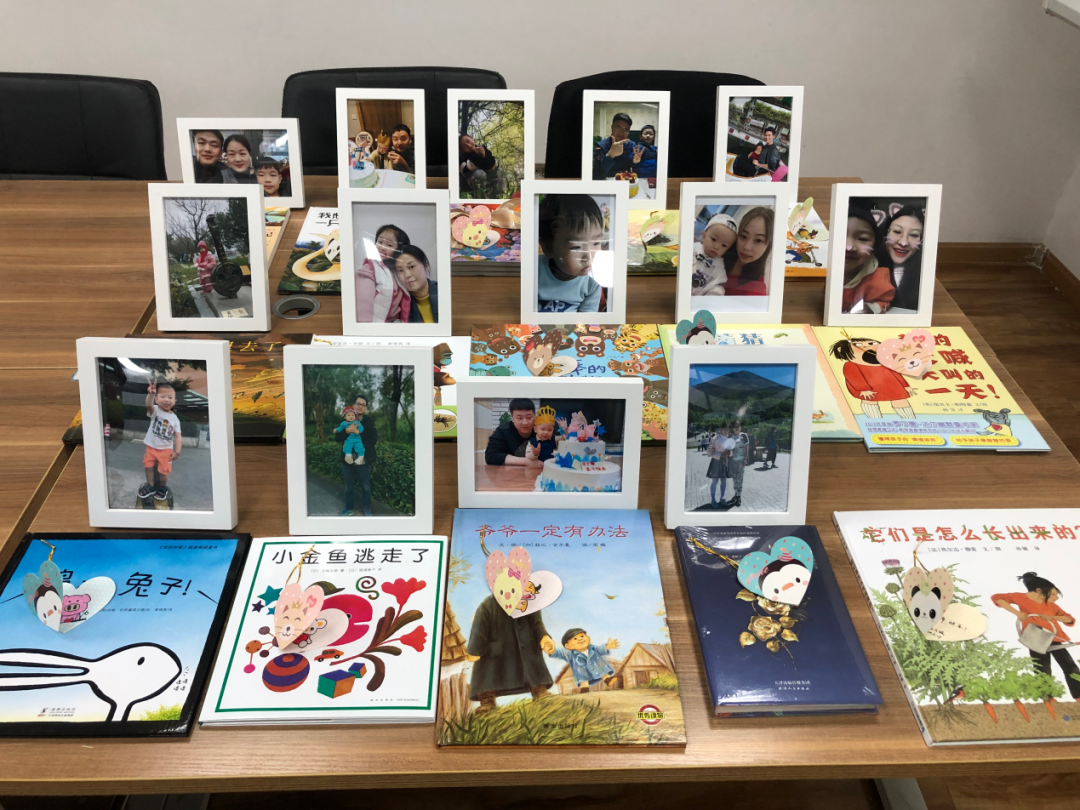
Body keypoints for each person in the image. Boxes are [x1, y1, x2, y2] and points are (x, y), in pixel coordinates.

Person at [467, 582, 554, 715]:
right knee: (488, 675)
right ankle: (487, 701)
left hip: (526, 647)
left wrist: (544, 637)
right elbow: (479, 628)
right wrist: (474, 649)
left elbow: (537, 625)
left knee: (532, 668)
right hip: (496, 651)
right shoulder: (488, 605)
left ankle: (539, 691)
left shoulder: (530, 603)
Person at [994, 573, 1080, 700]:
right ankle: (1047, 697)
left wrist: (1052, 617)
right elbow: (998, 598)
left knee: (1070, 667)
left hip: (1055, 639)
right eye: (1053, 594)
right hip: (1035, 639)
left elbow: (1069, 619)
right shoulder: (1021, 598)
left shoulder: (1050, 605)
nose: (1056, 598)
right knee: (1042, 669)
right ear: (1039, 591)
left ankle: (1078, 695)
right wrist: (1017, 613)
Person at [537, 194, 605, 313]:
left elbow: (587, 319)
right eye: (576, 247)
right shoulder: (534, 271)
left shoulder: (593, 282)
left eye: (596, 243)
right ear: (548, 248)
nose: (588, 257)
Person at [828, 336, 916, 420]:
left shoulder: (885, 363)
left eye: (872, 343)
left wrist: (905, 386)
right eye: (858, 345)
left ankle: (909, 419)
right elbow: (854, 378)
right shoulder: (851, 365)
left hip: (892, 386)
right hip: (868, 390)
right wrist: (863, 389)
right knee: (869, 401)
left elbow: (896, 374)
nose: (866, 346)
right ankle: (875, 420)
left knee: (900, 400)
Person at [842, 203, 894, 314]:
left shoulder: (878, 279)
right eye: (840, 236)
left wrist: (869, 308)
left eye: (863, 238)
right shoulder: (817, 271)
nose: (849, 247)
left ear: (874, 248)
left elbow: (883, 302)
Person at [334, 393, 379, 516]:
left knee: (365, 486)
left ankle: (367, 508)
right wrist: (347, 431)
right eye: (358, 404)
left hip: (363, 459)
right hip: (347, 459)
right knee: (348, 487)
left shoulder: (369, 421)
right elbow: (337, 438)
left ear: (365, 408)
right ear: (353, 405)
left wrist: (358, 447)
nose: (360, 407)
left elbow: (373, 439)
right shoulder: (346, 419)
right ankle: (349, 508)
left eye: (363, 405)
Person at [356, 224, 411, 323]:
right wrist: (365, 327)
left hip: (395, 323)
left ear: (399, 250)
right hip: (375, 324)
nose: (382, 247)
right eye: (380, 242)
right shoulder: (370, 268)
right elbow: (363, 301)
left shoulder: (397, 271)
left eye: (389, 245)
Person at [139, 380, 182, 502]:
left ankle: (162, 487)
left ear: (175, 401)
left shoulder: (175, 419)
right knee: (148, 467)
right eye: (163, 397)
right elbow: (149, 405)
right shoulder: (156, 411)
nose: (166, 400)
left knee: (163, 472)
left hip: (166, 450)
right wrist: (150, 394)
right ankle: (150, 486)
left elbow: (178, 436)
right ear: (157, 400)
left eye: (170, 397)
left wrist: (177, 451)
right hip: (151, 447)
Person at [877, 205, 925, 311]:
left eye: (914, 235)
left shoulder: (924, 275)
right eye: (897, 232)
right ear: (886, 232)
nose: (903, 242)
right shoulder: (867, 268)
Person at [547, 628, 619, 692]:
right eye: (575, 639)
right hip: (582, 671)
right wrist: (552, 651)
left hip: (596, 667)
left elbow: (599, 649)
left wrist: (608, 646)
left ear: (588, 638)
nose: (580, 639)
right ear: (568, 646)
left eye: (582, 636)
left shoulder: (592, 648)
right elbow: (561, 653)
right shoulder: (570, 654)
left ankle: (607, 679)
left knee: (600, 667)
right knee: (583, 677)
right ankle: (584, 688)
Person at [722, 206, 774, 296]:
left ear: (768, 245)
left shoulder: (756, 291)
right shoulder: (719, 252)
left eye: (758, 240)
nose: (747, 247)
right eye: (743, 236)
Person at [485, 398, 543, 467]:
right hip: (510, 472)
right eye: (519, 418)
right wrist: (526, 462)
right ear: (512, 418)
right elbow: (490, 456)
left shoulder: (543, 430)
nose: (525, 423)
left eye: (529, 417)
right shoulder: (503, 431)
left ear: (534, 416)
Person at [691, 213, 738, 297]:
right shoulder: (691, 249)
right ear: (704, 236)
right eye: (713, 239)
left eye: (724, 245)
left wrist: (714, 295)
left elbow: (717, 289)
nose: (716, 247)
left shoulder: (720, 272)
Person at [395, 245, 438, 324]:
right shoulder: (399, 305)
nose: (407, 275)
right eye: (400, 270)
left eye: (411, 267)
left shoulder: (443, 293)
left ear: (426, 266)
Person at [593, 112, 643, 179]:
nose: (622, 133)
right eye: (618, 128)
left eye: (626, 130)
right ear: (612, 127)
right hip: (606, 181)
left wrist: (635, 161)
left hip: (624, 180)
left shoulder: (631, 145)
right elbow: (596, 173)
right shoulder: (601, 146)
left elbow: (632, 164)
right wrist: (610, 155)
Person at [705, 424, 734, 508]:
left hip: (725, 462)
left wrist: (729, 453)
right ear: (720, 429)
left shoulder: (729, 439)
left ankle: (722, 498)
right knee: (715, 481)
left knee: (724, 481)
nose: (726, 431)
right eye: (724, 429)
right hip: (716, 461)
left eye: (727, 429)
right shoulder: (715, 438)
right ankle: (713, 500)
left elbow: (731, 451)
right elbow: (709, 451)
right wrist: (720, 454)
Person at [725, 419, 751, 508]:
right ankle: (736, 493)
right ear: (732, 428)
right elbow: (728, 449)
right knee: (734, 478)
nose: (736, 428)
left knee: (740, 478)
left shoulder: (744, 436)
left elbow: (747, 448)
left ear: (740, 427)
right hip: (732, 461)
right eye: (734, 426)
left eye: (738, 426)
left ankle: (739, 496)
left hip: (741, 462)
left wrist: (745, 460)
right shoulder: (730, 437)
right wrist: (728, 454)